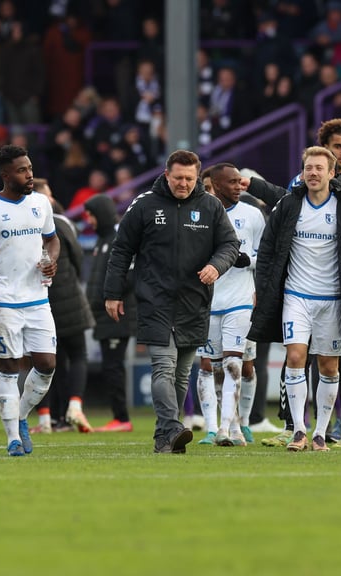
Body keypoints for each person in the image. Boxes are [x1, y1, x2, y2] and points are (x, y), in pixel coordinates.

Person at [251, 118, 341, 448]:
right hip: (296, 296)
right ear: (303, 172)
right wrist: (264, 288)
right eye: (308, 168)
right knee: (296, 357)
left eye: (320, 168)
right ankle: (299, 429)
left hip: (333, 300)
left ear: (332, 173)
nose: (314, 173)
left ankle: (323, 433)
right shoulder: (289, 204)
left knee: (332, 367)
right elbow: (269, 251)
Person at [103, 150, 239, 454]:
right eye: (178, 177)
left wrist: (217, 265)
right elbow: (122, 250)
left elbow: (230, 244)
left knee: (181, 374)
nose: (184, 183)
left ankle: (165, 436)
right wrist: (112, 293)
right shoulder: (145, 204)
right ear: (167, 174)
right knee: (163, 366)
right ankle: (173, 427)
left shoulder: (211, 206)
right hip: (155, 299)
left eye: (190, 178)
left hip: (194, 300)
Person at [0, 145, 59, 457]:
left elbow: (52, 238)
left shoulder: (41, 203)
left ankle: (20, 415)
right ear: (6, 175)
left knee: (47, 364)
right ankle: (12, 439)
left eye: (30, 168)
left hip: (37, 298)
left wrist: (52, 259)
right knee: (8, 368)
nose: (29, 174)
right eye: (22, 170)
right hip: (2, 300)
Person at [197, 163, 265, 446]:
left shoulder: (252, 215)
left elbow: (267, 257)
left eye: (241, 181)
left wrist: (248, 260)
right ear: (214, 185)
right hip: (208, 302)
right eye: (233, 182)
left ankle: (236, 425)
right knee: (210, 367)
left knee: (238, 365)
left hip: (241, 300)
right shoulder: (199, 216)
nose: (240, 186)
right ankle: (217, 428)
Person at [32, 178, 95, 433]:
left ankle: (47, 418)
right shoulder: (62, 223)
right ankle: (74, 407)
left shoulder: (22, 225)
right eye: (49, 195)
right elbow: (79, 258)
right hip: (69, 296)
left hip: (39, 300)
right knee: (77, 354)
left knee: (45, 361)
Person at [84, 193, 136, 432]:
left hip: (117, 314)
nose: (89, 220)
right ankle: (119, 417)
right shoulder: (102, 240)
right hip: (103, 314)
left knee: (114, 366)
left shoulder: (118, 238)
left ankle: (122, 418)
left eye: (92, 215)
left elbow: (129, 275)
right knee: (110, 365)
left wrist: (114, 298)